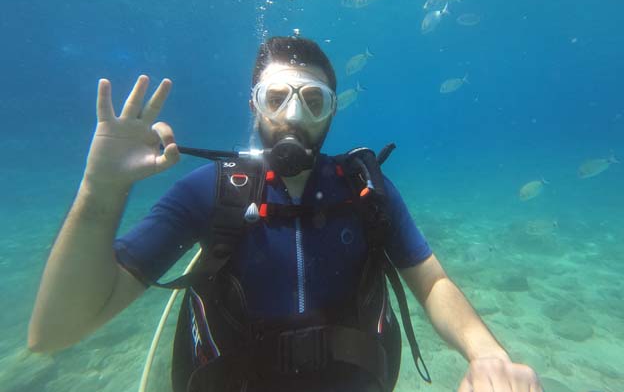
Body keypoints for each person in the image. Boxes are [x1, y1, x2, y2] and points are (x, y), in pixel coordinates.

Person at [29, 37, 542, 392]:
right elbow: (55, 331)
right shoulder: (209, 192)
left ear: (334, 110)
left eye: (314, 101)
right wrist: (100, 191)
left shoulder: (366, 190)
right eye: (276, 98)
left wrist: (488, 355)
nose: (294, 116)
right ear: (254, 106)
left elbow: (432, 283)